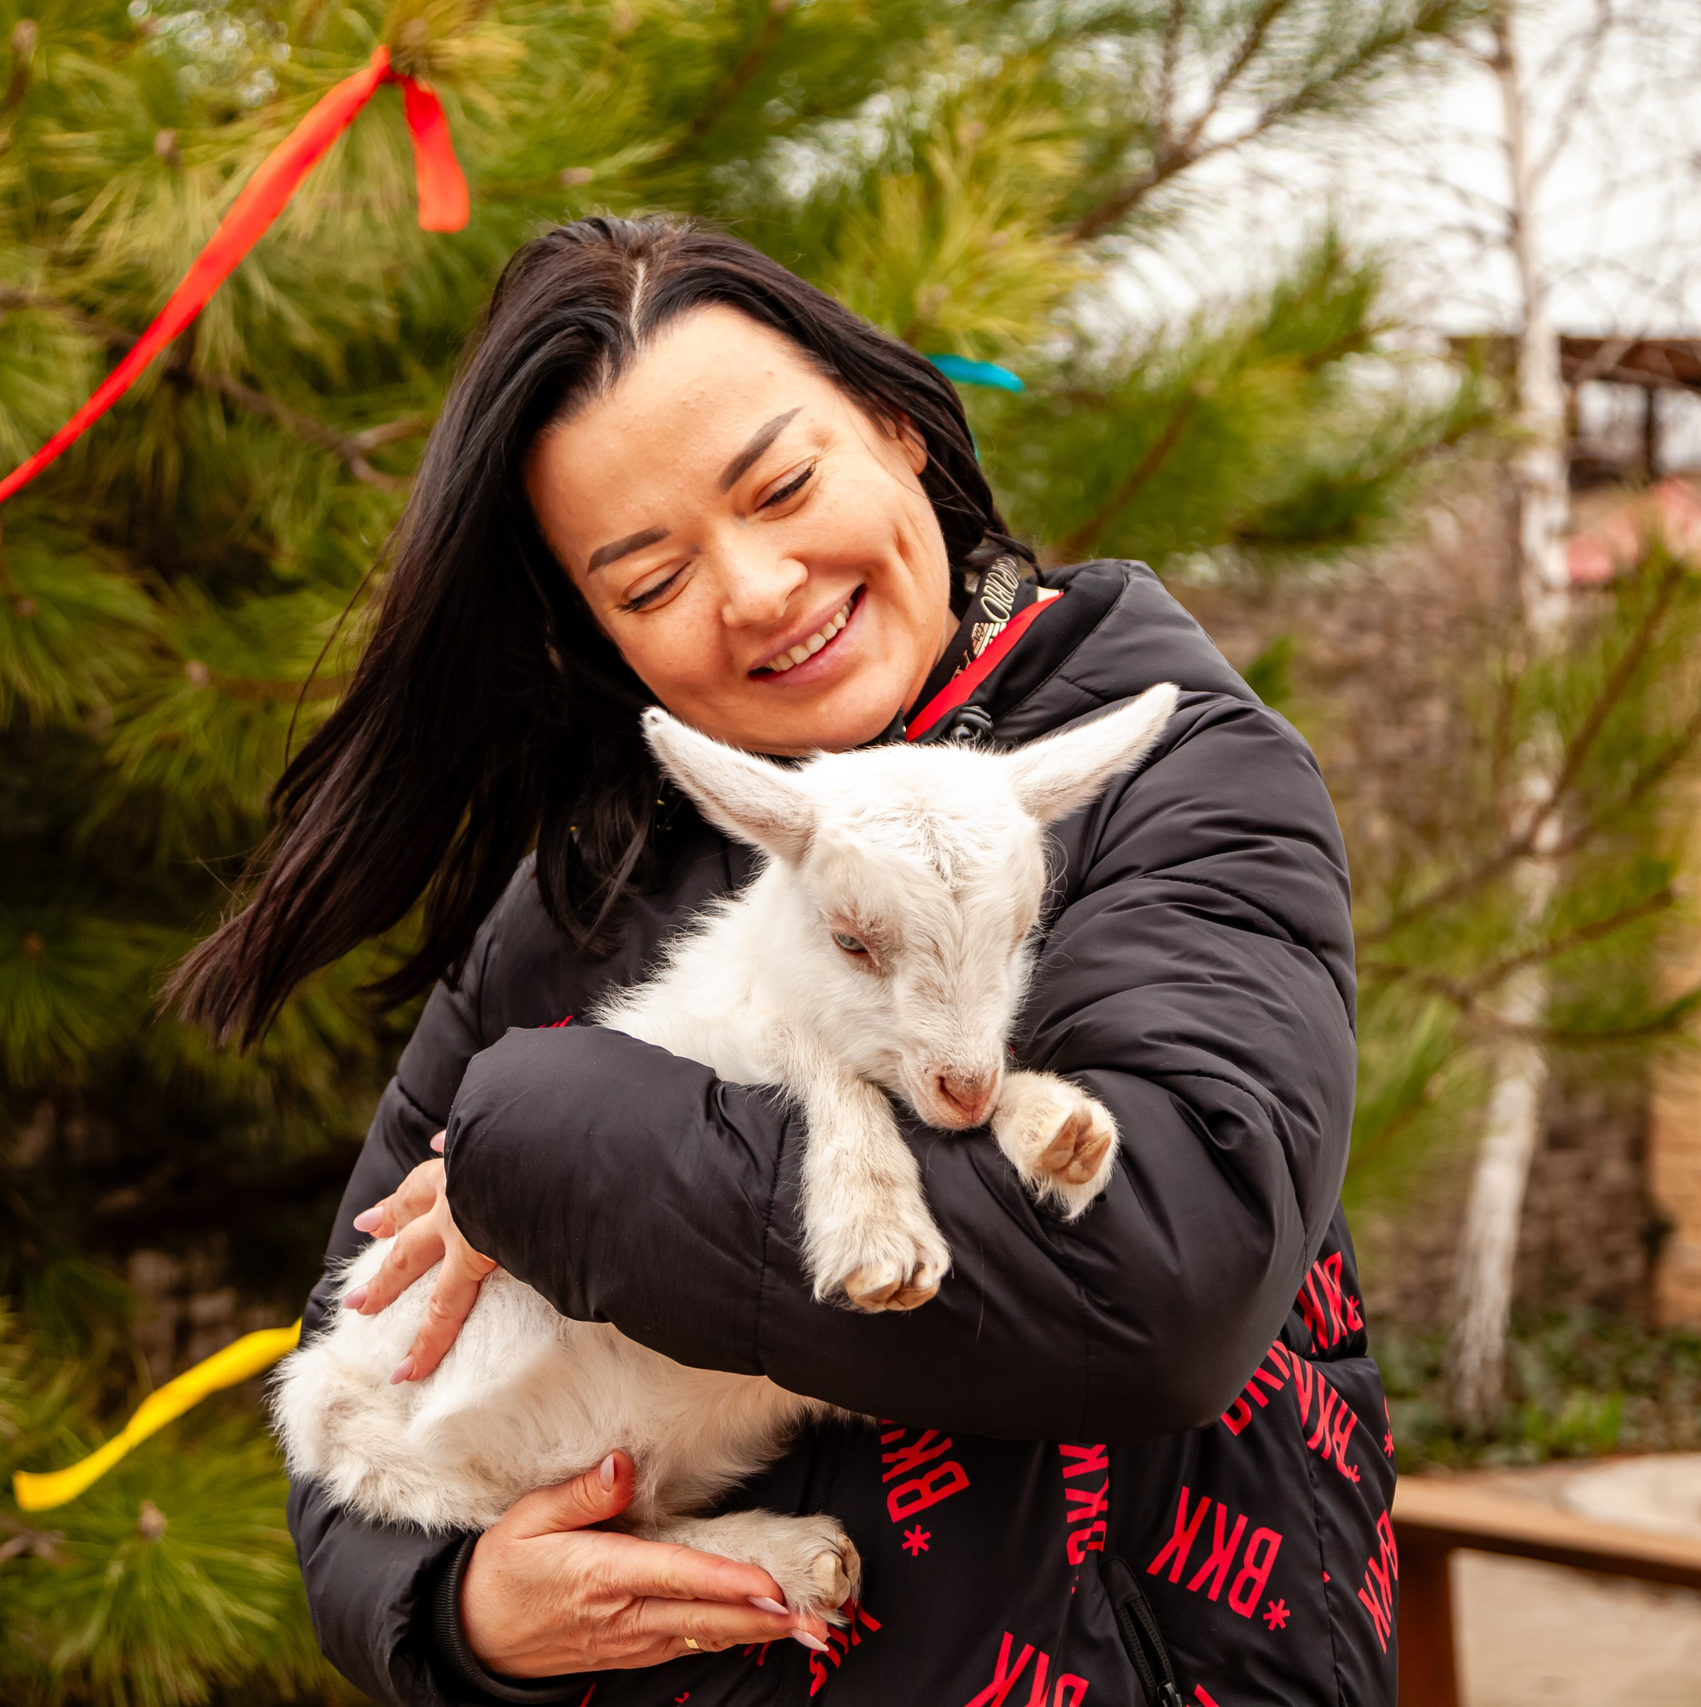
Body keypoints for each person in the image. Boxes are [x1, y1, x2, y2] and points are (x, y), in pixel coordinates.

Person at [173, 215, 1385, 1707]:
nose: (752, 589)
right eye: (648, 579)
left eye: (784, 484)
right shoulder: (590, 879)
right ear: (602, 636)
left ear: (898, 430)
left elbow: (1165, 1278)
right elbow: (366, 1342)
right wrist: (456, 1607)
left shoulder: (1172, 781)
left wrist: (558, 1142)